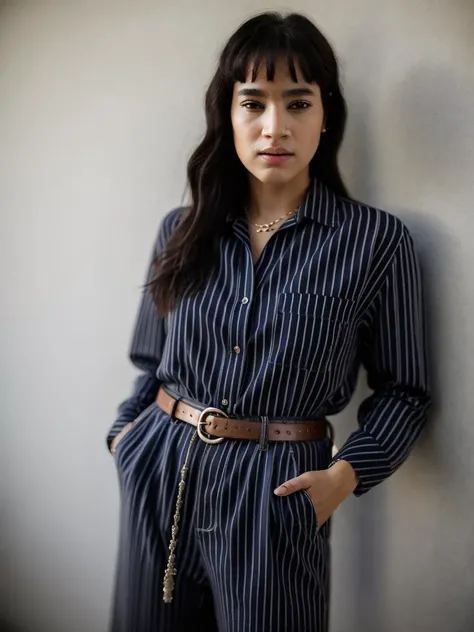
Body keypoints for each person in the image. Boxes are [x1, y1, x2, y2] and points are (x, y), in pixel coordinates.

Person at [106, 10, 431, 632]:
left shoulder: (375, 242)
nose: (273, 127)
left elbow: (406, 391)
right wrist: (126, 440)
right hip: (159, 469)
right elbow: (150, 362)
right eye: (252, 103)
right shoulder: (181, 231)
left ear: (326, 114)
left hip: (277, 493)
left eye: (298, 103)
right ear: (227, 115)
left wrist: (345, 475)